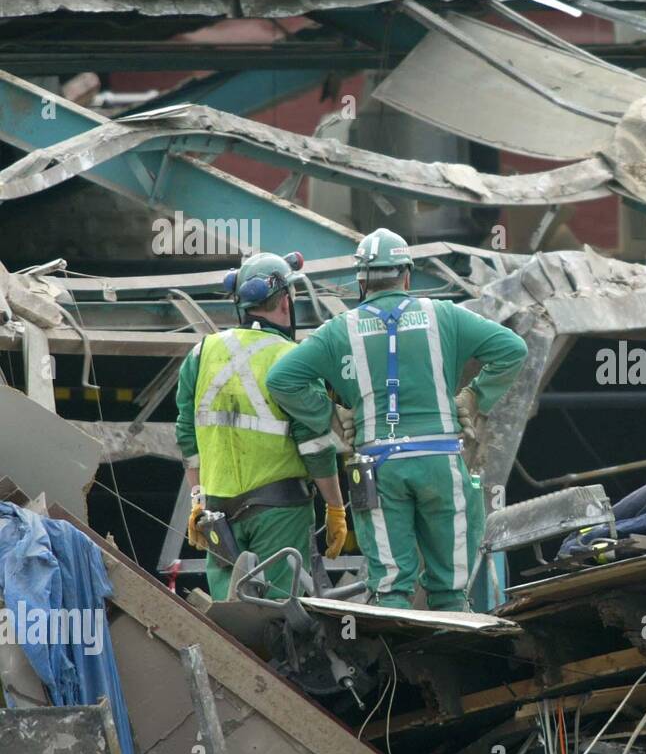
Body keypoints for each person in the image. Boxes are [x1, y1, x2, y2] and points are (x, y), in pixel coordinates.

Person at [267, 228, 527, 610]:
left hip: (378, 469)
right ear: (407, 275)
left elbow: (281, 379)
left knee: (390, 588)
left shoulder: (339, 330)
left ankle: (395, 662)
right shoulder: (444, 315)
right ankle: (452, 653)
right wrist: (473, 396)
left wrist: (332, 415)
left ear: (361, 280)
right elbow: (512, 349)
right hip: (440, 461)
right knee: (451, 589)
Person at [175, 252, 347, 601]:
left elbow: (187, 436)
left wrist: (198, 500)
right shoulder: (293, 360)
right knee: (279, 613)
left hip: (218, 513)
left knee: (229, 618)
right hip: (279, 510)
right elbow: (314, 444)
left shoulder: (201, 353)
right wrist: (335, 507)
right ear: (286, 301)